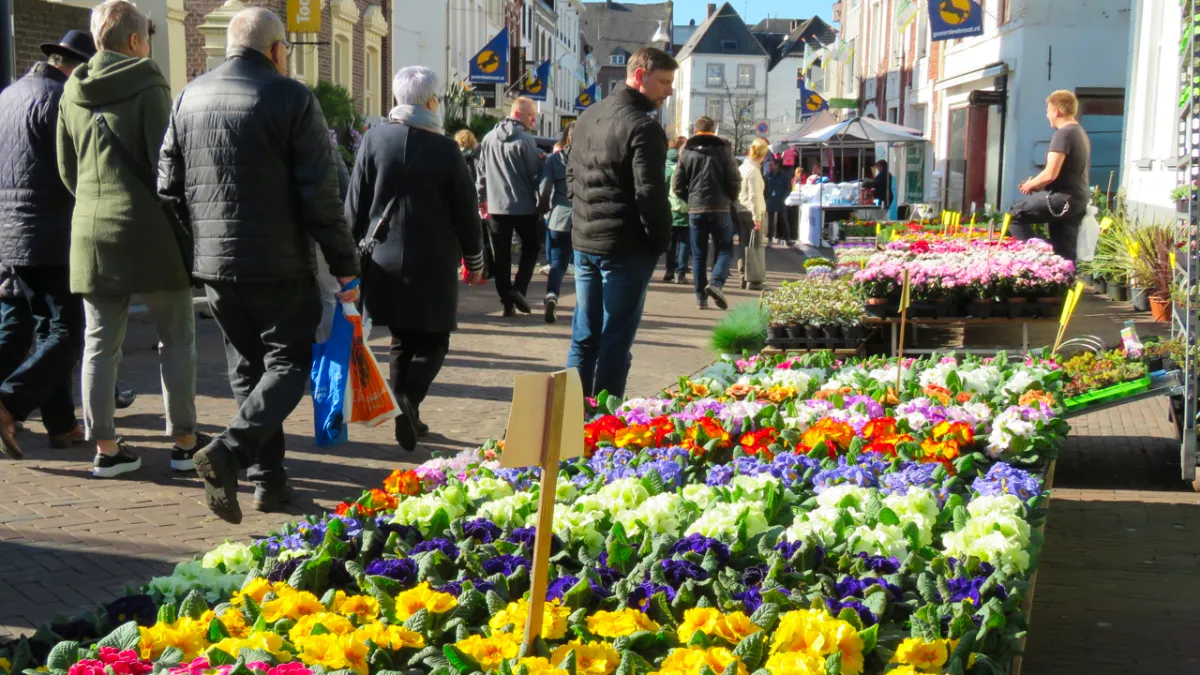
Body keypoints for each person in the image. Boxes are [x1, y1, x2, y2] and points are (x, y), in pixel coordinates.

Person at [159, 7, 359, 522]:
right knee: (289, 367)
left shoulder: (187, 96)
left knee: (249, 370)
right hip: (279, 264)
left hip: (217, 268)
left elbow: (167, 188)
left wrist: (197, 252)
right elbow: (322, 196)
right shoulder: (292, 97)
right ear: (276, 50)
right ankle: (229, 453)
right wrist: (344, 267)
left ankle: (269, 483)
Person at [57, 0, 205, 477]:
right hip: (151, 231)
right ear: (137, 42)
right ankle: (184, 441)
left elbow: (66, 169)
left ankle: (106, 448)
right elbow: (168, 165)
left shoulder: (71, 90)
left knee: (99, 344)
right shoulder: (148, 82)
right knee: (176, 338)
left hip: (91, 231)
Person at [347, 66, 484, 448]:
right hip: (433, 261)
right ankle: (408, 399)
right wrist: (474, 260)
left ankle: (408, 415)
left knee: (401, 340)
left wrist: (343, 261)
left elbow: (354, 206)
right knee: (435, 340)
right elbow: (465, 211)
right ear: (430, 101)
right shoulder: (445, 149)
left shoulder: (374, 140)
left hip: (382, 259)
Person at [0, 30, 96, 459]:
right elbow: (77, 170)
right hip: (51, 233)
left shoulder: (8, 96)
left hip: (10, 234)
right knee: (65, 333)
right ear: (76, 65)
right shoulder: (61, 101)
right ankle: (8, 402)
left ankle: (61, 426)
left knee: (41, 328)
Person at [567, 47, 676, 398]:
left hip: (586, 241)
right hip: (625, 248)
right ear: (641, 76)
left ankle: (572, 418)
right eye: (664, 81)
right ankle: (603, 424)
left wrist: (583, 214)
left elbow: (571, 177)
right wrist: (659, 242)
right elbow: (650, 194)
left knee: (584, 336)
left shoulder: (587, 117)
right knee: (615, 339)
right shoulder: (644, 127)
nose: (669, 91)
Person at [1007, 90, 1091, 262]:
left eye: (1048, 111)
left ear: (1057, 111)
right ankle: (1064, 281)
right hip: (1077, 199)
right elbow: (1066, 171)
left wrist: (1031, 185)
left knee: (1014, 216)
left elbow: (1050, 173)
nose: (1047, 116)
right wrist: (1037, 183)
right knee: (1064, 251)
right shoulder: (1080, 133)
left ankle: (1041, 256)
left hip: (1062, 199)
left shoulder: (1063, 134)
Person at [477, 98, 542, 316]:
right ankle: (518, 289)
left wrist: (481, 199)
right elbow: (535, 175)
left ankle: (506, 300)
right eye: (531, 115)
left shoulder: (488, 139)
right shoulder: (526, 141)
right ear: (518, 114)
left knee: (501, 256)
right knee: (531, 248)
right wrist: (542, 200)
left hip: (496, 207)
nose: (534, 119)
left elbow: (481, 174)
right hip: (524, 206)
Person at [673, 116, 739, 310]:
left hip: (696, 209)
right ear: (714, 129)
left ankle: (701, 298)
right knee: (726, 248)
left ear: (695, 130)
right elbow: (734, 180)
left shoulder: (686, 151)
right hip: (720, 207)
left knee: (699, 254)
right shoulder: (724, 150)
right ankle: (716, 283)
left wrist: (690, 199)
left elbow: (677, 185)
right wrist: (730, 199)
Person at [538, 123, 573, 324]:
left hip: (559, 216)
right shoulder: (590, 158)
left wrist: (543, 210)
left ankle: (552, 294)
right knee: (589, 265)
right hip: (585, 218)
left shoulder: (555, 160)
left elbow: (544, 189)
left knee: (558, 263)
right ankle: (590, 307)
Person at [737, 138, 769, 291]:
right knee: (755, 246)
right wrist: (757, 217)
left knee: (744, 245)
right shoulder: (754, 171)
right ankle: (754, 280)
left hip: (741, 209)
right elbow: (755, 196)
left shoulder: (742, 168)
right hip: (753, 211)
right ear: (763, 155)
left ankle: (743, 276)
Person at [662, 136, 691, 285]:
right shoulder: (685, 165)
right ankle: (680, 273)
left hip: (669, 209)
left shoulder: (664, 165)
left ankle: (669, 271)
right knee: (684, 242)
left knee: (670, 243)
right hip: (685, 209)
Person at [764, 156, 792, 246]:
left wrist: (784, 198)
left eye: (771, 165)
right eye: (769, 165)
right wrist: (766, 198)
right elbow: (764, 188)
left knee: (784, 220)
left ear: (777, 165)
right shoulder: (767, 176)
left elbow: (788, 188)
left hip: (781, 200)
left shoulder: (784, 175)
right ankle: (769, 238)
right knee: (770, 221)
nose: (770, 167)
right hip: (770, 200)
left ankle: (787, 238)